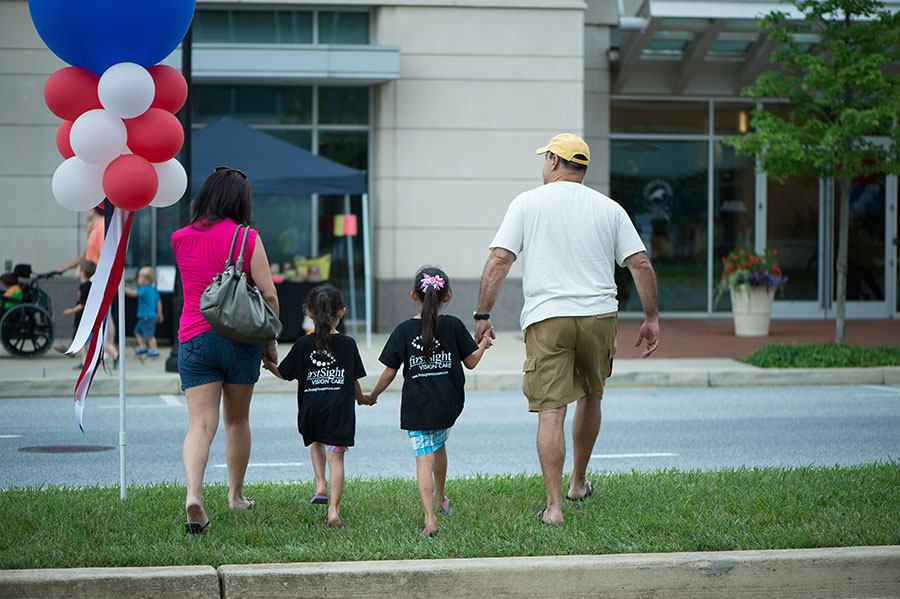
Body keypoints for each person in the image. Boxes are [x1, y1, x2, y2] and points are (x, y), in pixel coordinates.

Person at [474, 133, 660, 526]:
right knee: (591, 396)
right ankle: (578, 482)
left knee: (551, 411)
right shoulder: (609, 208)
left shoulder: (526, 203)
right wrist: (651, 318)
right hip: (598, 316)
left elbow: (499, 260)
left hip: (548, 318)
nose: (544, 166)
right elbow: (640, 264)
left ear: (555, 162)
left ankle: (554, 508)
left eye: (546, 159)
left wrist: (482, 314)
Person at [172, 166, 280, 534]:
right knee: (236, 420)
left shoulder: (180, 238)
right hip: (240, 339)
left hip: (194, 336)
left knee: (200, 424)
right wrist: (269, 342)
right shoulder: (247, 238)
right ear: (241, 200)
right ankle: (235, 496)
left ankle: (193, 495)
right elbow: (268, 295)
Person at [365, 266, 491, 536]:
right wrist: (483, 343)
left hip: (418, 407)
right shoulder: (455, 325)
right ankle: (439, 496)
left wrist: (372, 395)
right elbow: (471, 362)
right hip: (447, 404)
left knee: (424, 459)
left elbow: (390, 371)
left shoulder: (403, 330)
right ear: (447, 297)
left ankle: (430, 519)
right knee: (440, 444)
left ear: (413, 295)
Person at [262, 284, 372, 529]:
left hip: (311, 409)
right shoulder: (347, 344)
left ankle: (320, 483)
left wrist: (269, 365)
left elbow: (284, 373)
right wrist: (361, 398)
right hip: (339, 411)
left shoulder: (302, 345)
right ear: (341, 312)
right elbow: (352, 380)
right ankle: (333, 511)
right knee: (337, 459)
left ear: (308, 313)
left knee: (316, 442)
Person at [56, 205, 118, 365]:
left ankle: (109, 349)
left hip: (99, 277)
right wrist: (65, 268)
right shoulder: (96, 229)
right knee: (104, 314)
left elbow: (107, 254)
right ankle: (106, 349)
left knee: (104, 314)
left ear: (93, 210)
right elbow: (86, 256)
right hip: (96, 277)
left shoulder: (101, 227)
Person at [61, 259, 96, 368]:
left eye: (78, 269)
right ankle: (85, 361)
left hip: (83, 317)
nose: (76, 271)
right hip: (83, 317)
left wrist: (71, 311)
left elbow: (82, 304)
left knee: (84, 340)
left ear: (83, 272)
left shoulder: (86, 286)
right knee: (83, 341)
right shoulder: (85, 285)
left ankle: (86, 361)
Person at [125, 266, 163, 358]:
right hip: (147, 316)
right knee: (138, 332)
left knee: (149, 335)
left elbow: (133, 293)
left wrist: (123, 288)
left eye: (139, 277)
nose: (138, 279)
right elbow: (159, 302)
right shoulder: (154, 290)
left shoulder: (144, 289)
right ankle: (143, 348)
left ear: (146, 280)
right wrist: (159, 313)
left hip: (146, 317)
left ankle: (154, 350)